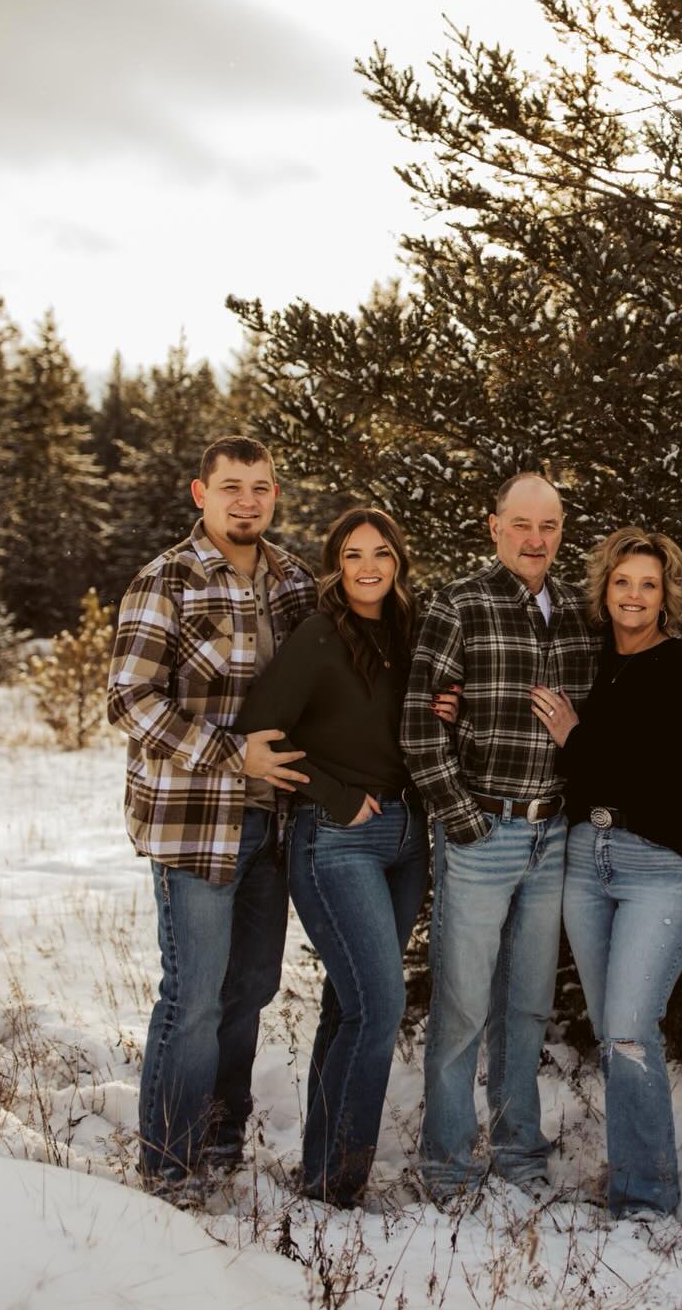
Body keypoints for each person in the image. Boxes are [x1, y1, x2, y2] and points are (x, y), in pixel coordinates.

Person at [107, 435, 316, 1199]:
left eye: (260, 487)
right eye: (231, 487)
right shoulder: (167, 579)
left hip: (274, 824)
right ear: (201, 493)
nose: (247, 501)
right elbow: (129, 701)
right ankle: (168, 1163)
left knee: (252, 987)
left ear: (274, 494)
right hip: (194, 823)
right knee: (193, 997)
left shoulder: (294, 581)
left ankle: (222, 1140)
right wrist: (234, 756)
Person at [400, 472, 598, 1202]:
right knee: (460, 1005)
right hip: (483, 833)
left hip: (553, 838)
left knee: (528, 1005)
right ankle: (449, 1163)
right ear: (495, 527)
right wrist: (465, 821)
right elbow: (422, 727)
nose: (535, 539)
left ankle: (520, 1150)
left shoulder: (581, 611)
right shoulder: (460, 604)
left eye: (548, 526)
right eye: (521, 525)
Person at [530, 526, 682, 1221]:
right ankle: (632, 1171)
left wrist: (575, 739)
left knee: (630, 1026)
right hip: (589, 862)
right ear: (604, 590)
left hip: (665, 868)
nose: (634, 595)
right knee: (613, 1027)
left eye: (648, 583)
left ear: (665, 594)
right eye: (622, 582)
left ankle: (647, 1195)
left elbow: (665, 776)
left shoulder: (680, 667)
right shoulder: (595, 661)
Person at [234, 507, 427, 1207]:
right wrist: (334, 794)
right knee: (378, 1008)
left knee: (349, 1005)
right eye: (353, 555)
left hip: (407, 841)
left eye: (381, 553)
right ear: (335, 565)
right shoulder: (319, 636)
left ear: (398, 561)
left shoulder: (411, 634)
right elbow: (259, 728)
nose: (368, 567)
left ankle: (319, 1174)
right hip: (336, 839)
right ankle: (341, 1185)